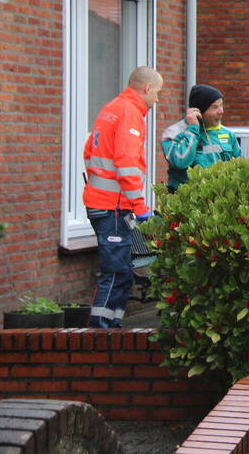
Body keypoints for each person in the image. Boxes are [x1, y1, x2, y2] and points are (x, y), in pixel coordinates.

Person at [83, 66, 163, 328]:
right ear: (148, 88)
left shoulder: (112, 108)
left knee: (122, 273)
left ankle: (112, 331)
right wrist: (140, 208)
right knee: (117, 272)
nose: (157, 100)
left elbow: (89, 152)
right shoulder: (129, 113)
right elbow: (126, 166)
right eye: (158, 93)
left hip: (103, 203)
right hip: (113, 207)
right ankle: (100, 334)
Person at [161, 84, 241, 192]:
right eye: (214, 107)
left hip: (217, 203)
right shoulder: (173, 133)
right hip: (185, 203)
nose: (221, 111)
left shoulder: (228, 134)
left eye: (221, 105)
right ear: (199, 111)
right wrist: (193, 129)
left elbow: (239, 169)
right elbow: (180, 161)